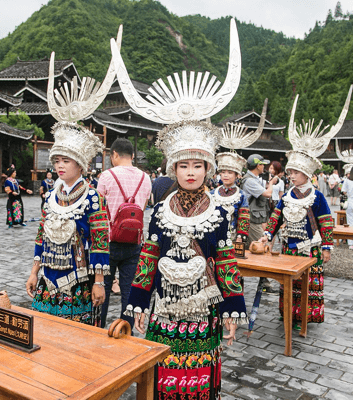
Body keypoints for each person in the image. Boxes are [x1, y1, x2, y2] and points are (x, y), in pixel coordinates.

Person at [114, 19, 246, 398]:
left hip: (203, 311)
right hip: (165, 310)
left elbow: (226, 263)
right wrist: (136, 304)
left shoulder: (218, 213)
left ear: (208, 169)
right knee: (164, 377)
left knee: (200, 378)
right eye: (183, 166)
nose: (190, 172)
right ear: (173, 168)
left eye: (198, 165)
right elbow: (146, 261)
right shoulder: (158, 211)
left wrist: (232, 311)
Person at [25, 46, 116, 324]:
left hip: (79, 281)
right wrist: (33, 271)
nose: (60, 165)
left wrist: (99, 281)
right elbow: (42, 236)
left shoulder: (92, 199)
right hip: (47, 280)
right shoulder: (51, 196)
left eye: (66, 160)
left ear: (80, 165)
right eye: (57, 160)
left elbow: (100, 243)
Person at [260, 86, 352, 327]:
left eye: (294, 173)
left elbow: (326, 222)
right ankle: (288, 313)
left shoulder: (318, 196)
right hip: (288, 247)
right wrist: (267, 236)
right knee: (289, 283)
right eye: (289, 172)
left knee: (308, 284)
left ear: (306, 174)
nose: (290, 176)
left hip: (310, 249)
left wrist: (327, 247)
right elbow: (276, 218)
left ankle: (305, 317)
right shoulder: (287, 195)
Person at [97, 137, 151, 329]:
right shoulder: (146, 178)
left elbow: (99, 210)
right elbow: (142, 208)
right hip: (135, 241)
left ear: (114, 155)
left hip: (108, 241)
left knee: (102, 289)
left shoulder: (106, 176)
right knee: (129, 292)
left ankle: (97, 329)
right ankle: (127, 333)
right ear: (133, 156)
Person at [241, 153, 278, 290]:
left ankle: (259, 280)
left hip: (253, 219)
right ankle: (265, 283)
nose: (264, 167)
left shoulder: (253, 179)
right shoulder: (249, 181)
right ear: (258, 165)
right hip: (250, 220)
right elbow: (268, 194)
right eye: (263, 164)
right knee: (262, 248)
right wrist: (272, 184)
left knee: (244, 249)